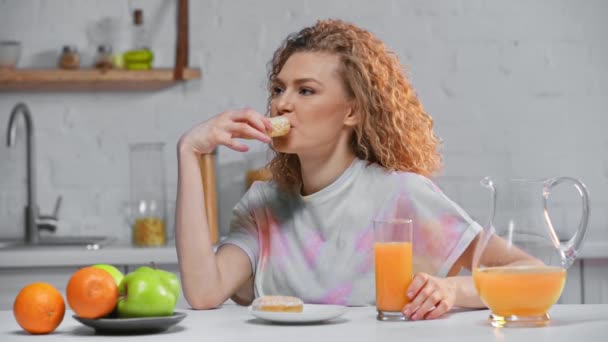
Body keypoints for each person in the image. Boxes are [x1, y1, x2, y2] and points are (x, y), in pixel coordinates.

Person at [176, 19, 532, 320]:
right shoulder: (262, 206)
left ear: (352, 112)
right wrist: (190, 152)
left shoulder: (402, 194)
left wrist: (452, 290)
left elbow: (526, 271)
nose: (282, 103)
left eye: (306, 91)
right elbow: (205, 292)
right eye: (279, 88)